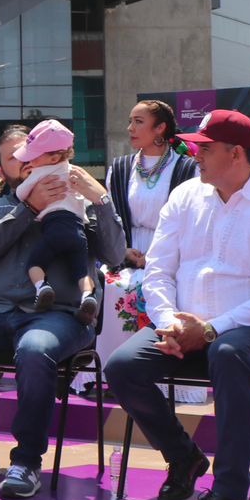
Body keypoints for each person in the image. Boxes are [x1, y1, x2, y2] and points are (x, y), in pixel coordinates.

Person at [105, 108, 250, 500]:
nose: (194, 155)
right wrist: (169, 324)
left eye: (205, 148)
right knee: (122, 367)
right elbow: (158, 272)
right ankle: (184, 457)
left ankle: (230, 496)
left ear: (236, 153)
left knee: (229, 353)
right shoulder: (185, 197)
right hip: (184, 329)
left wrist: (211, 330)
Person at [0, 124, 124, 499]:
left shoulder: (79, 203)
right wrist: (28, 209)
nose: (26, 162)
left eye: (32, 154)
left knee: (34, 349)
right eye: (16, 158)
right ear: (3, 169)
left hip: (61, 314)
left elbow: (115, 254)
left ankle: (27, 461)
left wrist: (101, 200)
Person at [95, 99, 199, 391]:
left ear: (160, 128)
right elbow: (112, 218)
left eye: (138, 122)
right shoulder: (121, 167)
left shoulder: (187, 169)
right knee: (109, 285)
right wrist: (123, 251)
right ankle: (110, 375)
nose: (130, 128)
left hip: (171, 254)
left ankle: (163, 383)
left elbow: (192, 223)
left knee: (152, 289)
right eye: (130, 121)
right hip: (126, 252)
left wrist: (154, 259)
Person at [10, 119, 98, 324]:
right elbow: (82, 200)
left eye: (34, 156)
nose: (29, 161)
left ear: (54, 157)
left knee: (35, 263)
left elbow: (21, 194)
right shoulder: (75, 172)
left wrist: (29, 188)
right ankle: (88, 296)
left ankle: (42, 287)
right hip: (78, 230)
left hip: (54, 227)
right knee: (81, 271)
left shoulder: (40, 173)